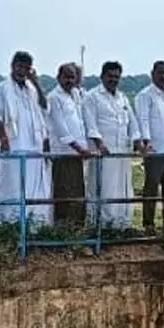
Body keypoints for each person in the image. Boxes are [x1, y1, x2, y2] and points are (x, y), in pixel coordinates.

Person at [0, 50, 51, 226]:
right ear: (12, 66)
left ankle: (34, 226)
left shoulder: (32, 89)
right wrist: (4, 139)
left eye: (26, 68)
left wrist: (37, 83)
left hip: (34, 146)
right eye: (19, 66)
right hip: (14, 145)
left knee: (35, 190)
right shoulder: (2, 89)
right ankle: (9, 225)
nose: (22, 71)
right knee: (13, 188)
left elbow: (45, 107)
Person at [82, 60, 141, 228]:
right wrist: (100, 143)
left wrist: (137, 141)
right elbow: (90, 124)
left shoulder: (122, 98)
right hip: (103, 151)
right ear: (102, 76)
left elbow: (133, 122)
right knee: (102, 188)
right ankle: (100, 227)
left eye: (116, 77)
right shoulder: (92, 97)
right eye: (110, 76)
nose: (113, 80)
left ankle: (122, 225)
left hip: (122, 151)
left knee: (122, 188)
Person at [133, 60, 164, 233]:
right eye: (160, 73)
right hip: (155, 149)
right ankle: (148, 224)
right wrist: (146, 141)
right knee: (151, 188)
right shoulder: (145, 95)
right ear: (152, 74)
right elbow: (143, 118)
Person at [45, 63, 92, 226]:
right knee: (64, 191)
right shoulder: (54, 97)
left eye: (73, 77)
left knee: (78, 191)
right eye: (67, 77)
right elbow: (60, 128)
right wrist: (79, 148)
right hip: (64, 152)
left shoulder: (75, 96)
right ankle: (63, 228)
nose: (70, 81)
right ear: (59, 77)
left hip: (78, 153)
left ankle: (77, 227)